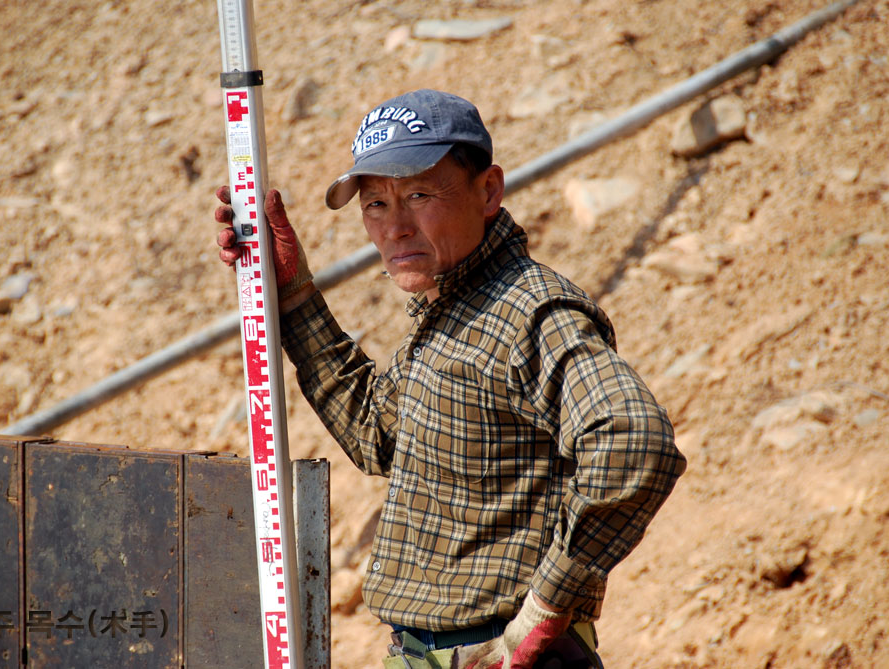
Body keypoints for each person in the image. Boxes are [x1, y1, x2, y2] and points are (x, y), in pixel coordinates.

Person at [215, 89, 686, 669]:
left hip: (503, 654)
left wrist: (547, 605)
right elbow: (376, 434)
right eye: (376, 204)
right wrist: (290, 287)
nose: (396, 228)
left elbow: (635, 440)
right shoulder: (451, 313)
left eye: (418, 194)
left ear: (488, 191)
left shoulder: (531, 313)